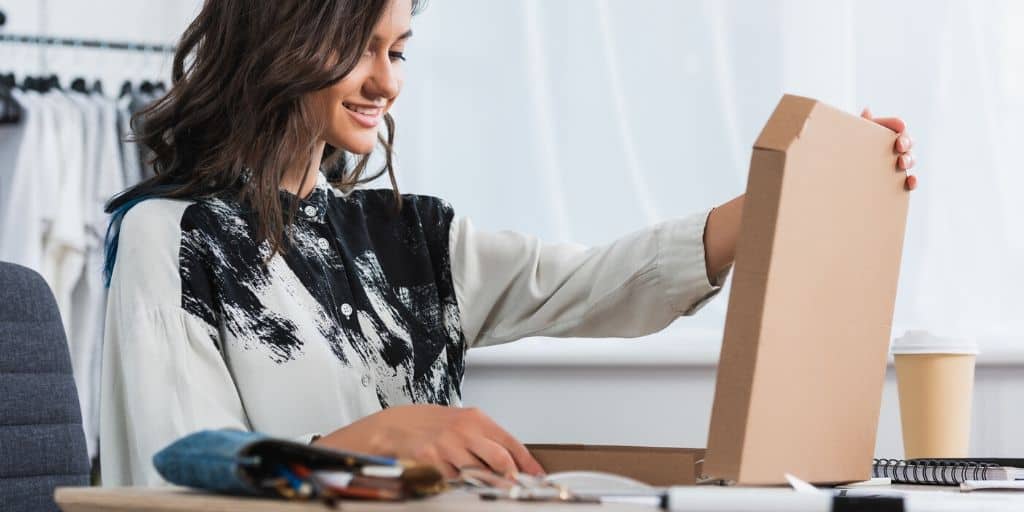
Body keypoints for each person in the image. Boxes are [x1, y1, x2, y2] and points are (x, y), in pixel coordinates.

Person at [100, 0, 917, 486]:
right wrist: (368, 446)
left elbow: (599, 281)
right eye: (363, 48)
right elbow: (172, 468)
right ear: (280, 36)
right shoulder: (168, 238)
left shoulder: (409, 239)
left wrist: (788, 190)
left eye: (400, 50)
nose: (387, 81)